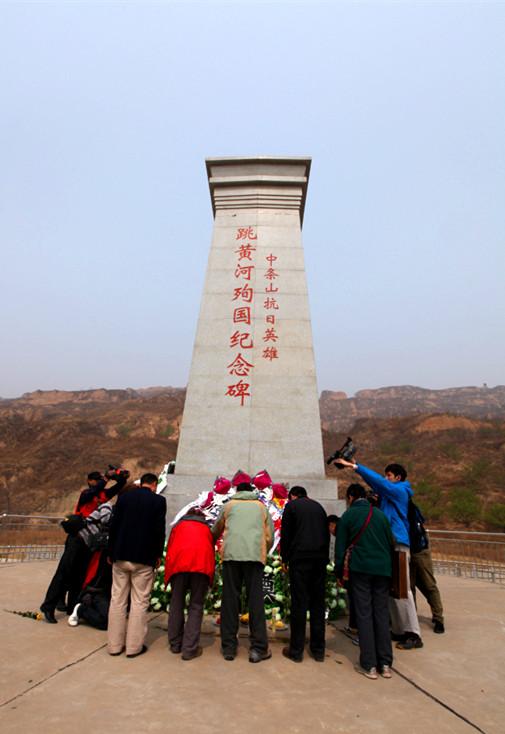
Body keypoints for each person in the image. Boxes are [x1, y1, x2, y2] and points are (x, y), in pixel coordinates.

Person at [337, 458, 423, 650]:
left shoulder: (400, 490)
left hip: (399, 543)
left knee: (403, 589)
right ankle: (399, 630)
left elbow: (380, 483)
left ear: (398, 478)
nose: (386, 478)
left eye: (389, 476)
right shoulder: (388, 497)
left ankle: (413, 633)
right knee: (392, 590)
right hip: (389, 545)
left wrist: (356, 467)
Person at [39, 469, 128, 623]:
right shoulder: (86, 494)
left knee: (79, 575)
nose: (98, 482)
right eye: (96, 479)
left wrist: (120, 478)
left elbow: (118, 488)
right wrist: (106, 477)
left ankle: (72, 606)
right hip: (77, 538)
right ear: (89, 481)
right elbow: (96, 489)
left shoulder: (103, 496)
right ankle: (49, 605)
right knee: (64, 572)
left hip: (91, 543)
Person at [335, 483, 395, 680]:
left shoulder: (349, 516)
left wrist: (338, 572)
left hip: (360, 569)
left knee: (364, 615)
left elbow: (341, 548)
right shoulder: (380, 515)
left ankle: (369, 664)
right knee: (381, 614)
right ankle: (385, 663)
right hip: (383, 570)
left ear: (351, 497)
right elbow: (390, 543)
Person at [212, 481, 274, 663]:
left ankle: (229, 648)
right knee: (255, 601)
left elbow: (216, 529)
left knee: (230, 600)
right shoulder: (261, 507)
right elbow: (269, 535)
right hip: (254, 557)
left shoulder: (229, 506)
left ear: (237, 491)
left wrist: (213, 541)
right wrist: (262, 549)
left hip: (232, 556)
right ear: (252, 491)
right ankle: (258, 648)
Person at [107, 473, 166, 658]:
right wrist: (157, 554)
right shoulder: (158, 501)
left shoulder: (124, 498)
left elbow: (113, 525)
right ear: (154, 484)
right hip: (143, 557)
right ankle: (134, 647)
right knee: (139, 602)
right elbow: (159, 530)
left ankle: (114, 645)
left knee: (117, 600)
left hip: (121, 555)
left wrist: (110, 552)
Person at [280, 486, 329, 662]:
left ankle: (296, 650)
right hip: (320, 560)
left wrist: (284, 558)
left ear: (292, 495)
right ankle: (318, 650)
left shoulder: (292, 507)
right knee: (317, 604)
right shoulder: (319, 507)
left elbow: (286, 535)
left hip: (300, 560)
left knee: (299, 604)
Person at [165, 508, 215, 660]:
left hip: (179, 567)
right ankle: (189, 649)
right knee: (196, 605)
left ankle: (175, 644)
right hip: (200, 567)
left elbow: (170, 546)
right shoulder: (206, 528)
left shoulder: (178, 526)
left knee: (176, 603)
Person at [408, 501, 445, 633]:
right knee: (409, 588)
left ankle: (438, 618)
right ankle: (411, 620)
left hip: (420, 550)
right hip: (406, 552)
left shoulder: (409, 507)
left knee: (429, 585)